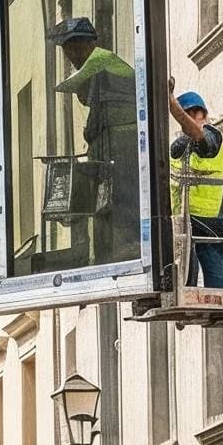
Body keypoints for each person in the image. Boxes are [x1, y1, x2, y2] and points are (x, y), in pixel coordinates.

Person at [52, 15, 140, 264]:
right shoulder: (99, 79)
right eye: (69, 52)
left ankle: (127, 242)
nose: (73, 57)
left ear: (88, 45)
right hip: (113, 142)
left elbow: (71, 84)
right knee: (106, 200)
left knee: (121, 196)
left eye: (75, 50)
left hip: (123, 141)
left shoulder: (101, 59)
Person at [168, 89, 223, 289]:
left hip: (209, 218)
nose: (182, 124)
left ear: (198, 113)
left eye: (184, 116)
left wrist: (171, 104)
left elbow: (199, 136)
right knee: (185, 274)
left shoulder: (212, 134)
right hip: (184, 216)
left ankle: (221, 305)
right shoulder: (179, 145)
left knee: (216, 277)